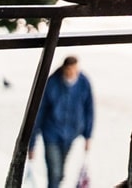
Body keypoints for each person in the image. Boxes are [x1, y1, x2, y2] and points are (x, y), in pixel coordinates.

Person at [29, 56, 93, 188]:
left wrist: (88, 135)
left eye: (75, 70)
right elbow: (39, 112)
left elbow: (89, 109)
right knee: (55, 172)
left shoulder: (83, 82)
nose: (72, 73)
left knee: (60, 171)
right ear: (65, 69)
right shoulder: (52, 83)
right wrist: (32, 143)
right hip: (51, 133)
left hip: (71, 133)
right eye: (70, 70)